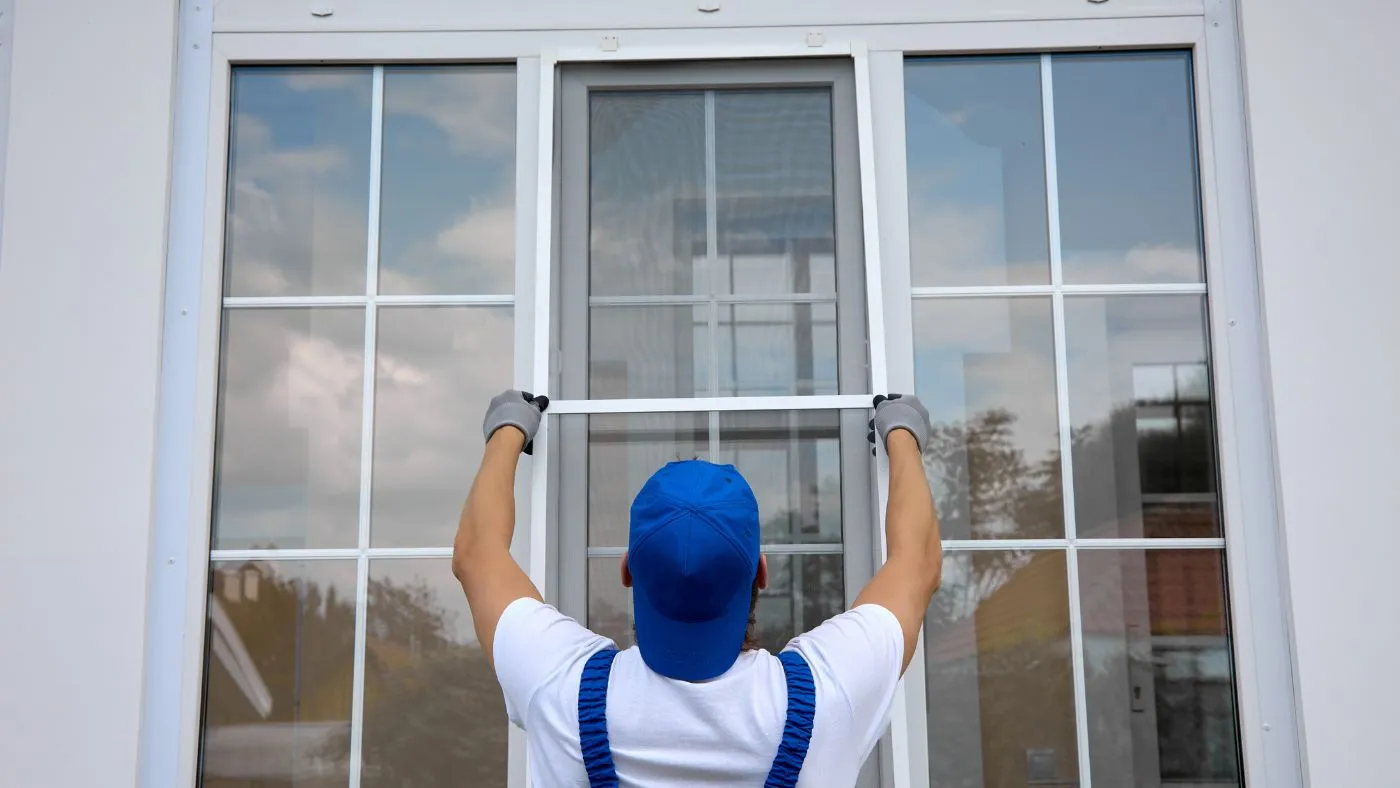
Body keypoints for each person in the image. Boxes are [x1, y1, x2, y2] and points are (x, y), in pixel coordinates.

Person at [452, 389, 943, 787]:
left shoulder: (559, 683)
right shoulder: (828, 693)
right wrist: (899, 429)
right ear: (762, 574)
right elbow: (916, 563)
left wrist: (510, 426)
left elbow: (478, 555)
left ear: (627, 569)